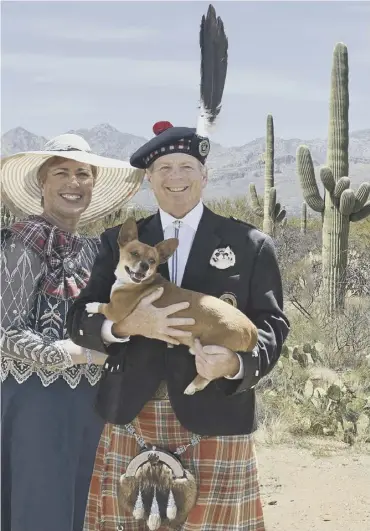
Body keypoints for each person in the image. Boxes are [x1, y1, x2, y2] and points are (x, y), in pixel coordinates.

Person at [67, 121, 290, 530]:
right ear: (149, 179)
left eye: (186, 167)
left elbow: (273, 326)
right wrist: (127, 325)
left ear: (205, 175)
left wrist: (235, 365)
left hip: (217, 411)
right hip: (131, 412)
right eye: (164, 168)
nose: (175, 178)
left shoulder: (250, 244)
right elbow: (78, 319)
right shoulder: (116, 241)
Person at [0, 133, 145, 531]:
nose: (73, 182)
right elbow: (5, 331)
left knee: (82, 505)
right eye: (61, 172)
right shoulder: (23, 241)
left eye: (83, 173)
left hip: (88, 402)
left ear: (93, 185)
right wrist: (71, 353)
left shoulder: (94, 251)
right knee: (40, 505)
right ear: (42, 184)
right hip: (34, 400)